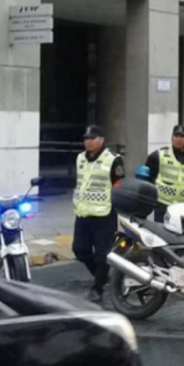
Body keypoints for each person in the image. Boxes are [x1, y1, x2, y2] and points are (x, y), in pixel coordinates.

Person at [72, 125, 125, 302]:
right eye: (86, 138)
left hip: (104, 214)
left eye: (92, 138)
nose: (88, 141)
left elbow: (119, 187)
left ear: (101, 140)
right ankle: (102, 276)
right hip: (83, 213)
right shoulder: (80, 158)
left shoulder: (113, 160)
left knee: (102, 254)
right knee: (80, 249)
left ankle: (98, 288)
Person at [145, 125, 184, 222]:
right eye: (176, 136)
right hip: (163, 204)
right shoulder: (158, 155)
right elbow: (147, 179)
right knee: (162, 235)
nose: (178, 139)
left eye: (182, 136)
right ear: (171, 138)